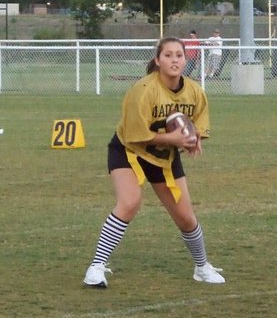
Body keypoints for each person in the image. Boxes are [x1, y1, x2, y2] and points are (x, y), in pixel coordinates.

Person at [84, 37, 224, 288]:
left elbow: (198, 123)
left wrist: (195, 138)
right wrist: (172, 137)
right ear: (157, 60)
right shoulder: (144, 89)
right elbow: (135, 134)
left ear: (186, 58)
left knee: (186, 218)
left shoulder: (193, 90)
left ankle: (202, 267)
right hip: (129, 150)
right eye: (168, 55)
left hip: (164, 157)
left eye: (179, 55)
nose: (174, 60)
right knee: (129, 202)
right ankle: (96, 267)